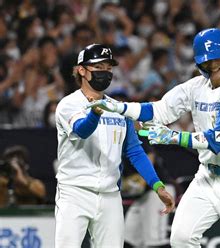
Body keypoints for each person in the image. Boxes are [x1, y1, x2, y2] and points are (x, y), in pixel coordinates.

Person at [89, 28, 220, 248]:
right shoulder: (196, 86)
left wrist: (173, 137)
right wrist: (120, 107)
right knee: (181, 239)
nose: (212, 65)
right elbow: (159, 110)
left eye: (217, 58)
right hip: (208, 176)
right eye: (206, 61)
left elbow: (217, 140)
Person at [54, 43, 175, 247]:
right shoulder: (69, 104)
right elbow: (81, 130)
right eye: (99, 67)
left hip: (110, 194)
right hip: (75, 192)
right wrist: (94, 113)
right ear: (82, 70)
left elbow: (134, 151)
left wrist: (157, 185)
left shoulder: (117, 108)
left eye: (109, 68)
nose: (105, 73)